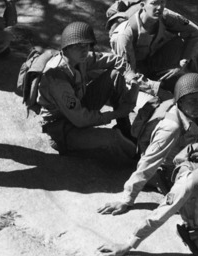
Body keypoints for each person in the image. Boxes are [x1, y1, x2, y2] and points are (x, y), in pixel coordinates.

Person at [102, 72, 198, 213]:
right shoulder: (171, 128)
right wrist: (127, 200)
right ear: (180, 101)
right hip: (169, 170)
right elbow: (148, 162)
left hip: (189, 152)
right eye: (193, 101)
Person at [29, 21, 139, 163]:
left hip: (78, 108)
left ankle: (125, 128)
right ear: (66, 47)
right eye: (78, 46)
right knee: (113, 139)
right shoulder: (56, 76)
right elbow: (81, 120)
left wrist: (130, 74)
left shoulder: (79, 59)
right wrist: (115, 114)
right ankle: (137, 158)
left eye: (86, 45)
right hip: (63, 130)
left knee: (115, 75)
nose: (84, 50)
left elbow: (114, 60)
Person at [108, 0, 198, 98]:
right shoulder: (124, 35)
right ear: (142, 6)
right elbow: (129, 74)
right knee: (151, 101)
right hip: (132, 75)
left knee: (193, 45)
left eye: (162, 2)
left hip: (152, 64)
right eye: (154, 3)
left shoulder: (164, 16)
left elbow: (197, 34)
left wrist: (184, 61)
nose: (159, 7)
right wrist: (160, 91)